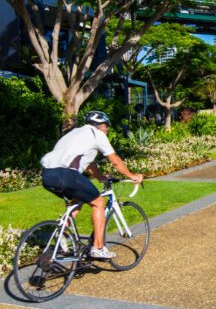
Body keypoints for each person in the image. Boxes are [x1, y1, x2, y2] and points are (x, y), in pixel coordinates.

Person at [40, 111, 143, 259]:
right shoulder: (97, 134)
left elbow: (89, 163)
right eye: (107, 127)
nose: (107, 130)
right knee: (99, 203)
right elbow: (115, 161)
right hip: (66, 175)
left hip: (48, 175)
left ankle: (62, 234)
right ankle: (98, 247)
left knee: (78, 200)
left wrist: (100, 177)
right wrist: (133, 176)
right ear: (101, 125)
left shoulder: (74, 133)